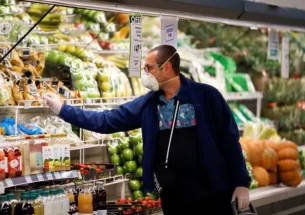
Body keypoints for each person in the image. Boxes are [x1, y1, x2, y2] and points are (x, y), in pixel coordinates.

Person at [43, 45, 251, 215]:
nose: (145, 74)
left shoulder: (207, 96)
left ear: (167, 68)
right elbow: (105, 121)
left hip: (213, 191)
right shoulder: (148, 104)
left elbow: (230, 140)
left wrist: (241, 183)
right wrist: (62, 109)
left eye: (149, 68)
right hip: (174, 196)